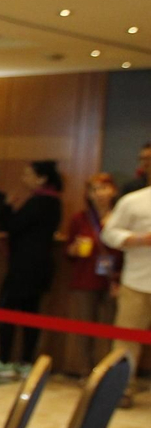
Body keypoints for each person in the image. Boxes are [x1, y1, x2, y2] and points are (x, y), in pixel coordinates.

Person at [0, 162, 64, 379]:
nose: (24, 177)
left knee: (6, 308)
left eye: (29, 174)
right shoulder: (54, 202)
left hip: (25, 265)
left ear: (42, 178)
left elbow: (12, 226)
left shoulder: (40, 201)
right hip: (39, 264)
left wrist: (7, 207)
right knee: (30, 312)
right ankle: (25, 360)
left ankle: (4, 360)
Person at [60, 173, 122, 377]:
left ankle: (105, 373)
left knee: (109, 328)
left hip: (114, 279)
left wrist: (119, 280)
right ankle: (85, 372)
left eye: (104, 188)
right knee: (85, 327)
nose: (100, 194)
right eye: (94, 189)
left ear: (113, 190)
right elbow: (68, 251)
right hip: (85, 278)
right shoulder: (81, 218)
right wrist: (73, 249)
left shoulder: (121, 216)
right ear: (88, 194)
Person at [102, 177, 151, 406]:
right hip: (138, 281)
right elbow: (109, 233)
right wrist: (139, 239)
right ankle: (121, 389)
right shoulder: (134, 201)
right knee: (127, 338)